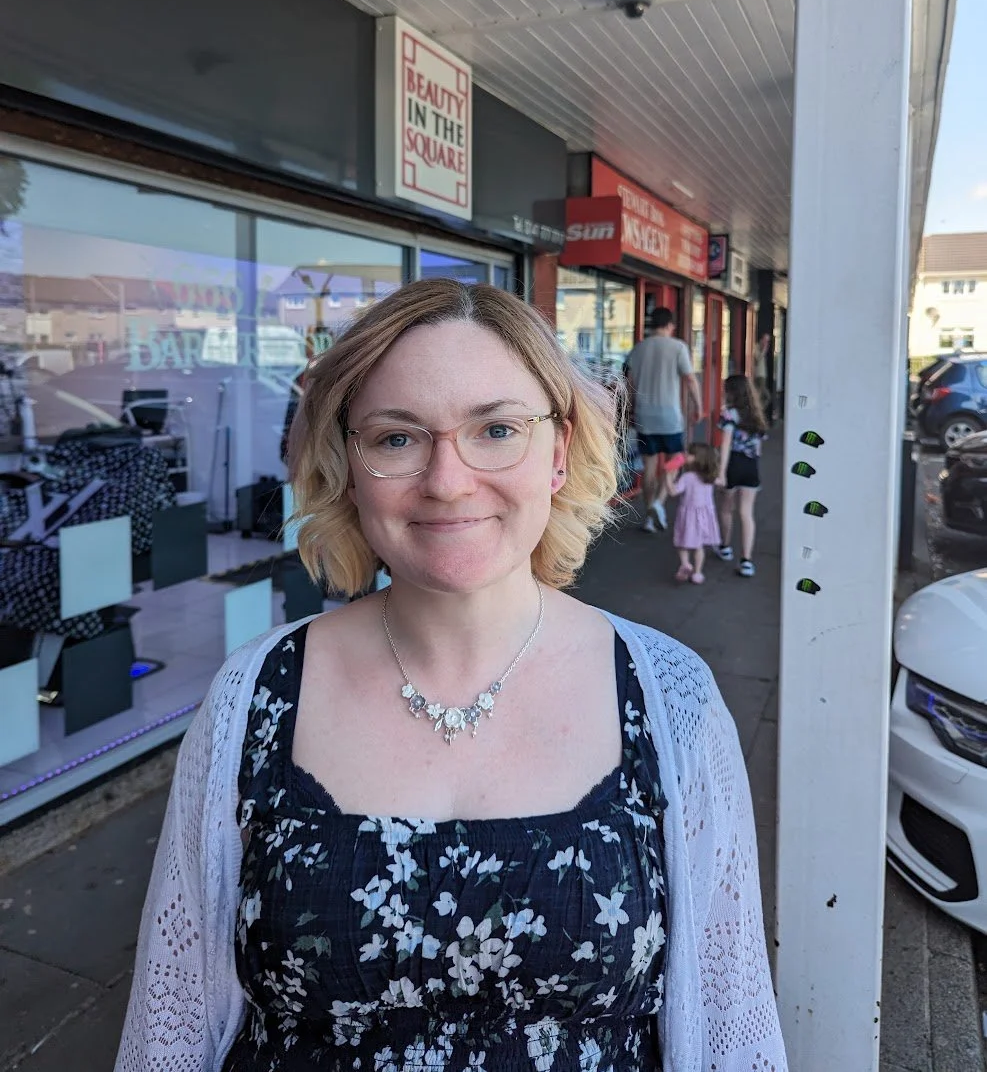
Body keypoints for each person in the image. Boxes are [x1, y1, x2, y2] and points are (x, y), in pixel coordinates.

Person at [116, 279, 786, 1072]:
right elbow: (173, 1021)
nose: (447, 479)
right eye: (397, 438)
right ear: (349, 462)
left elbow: (729, 1016)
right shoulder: (254, 694)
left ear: (558, 451)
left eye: (495, 428)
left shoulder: (668, 694)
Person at [624, 307, 702, 533]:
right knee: (675, 460)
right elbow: (690, 379)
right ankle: (659, 501)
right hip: (670, 418)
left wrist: (630, 411)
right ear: (670, 325)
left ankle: (649, 515)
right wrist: (698, 406)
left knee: (648, 465)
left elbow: (629, 384)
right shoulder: (678, 347)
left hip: (645, 417)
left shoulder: (638, 349)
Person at [715, 374, 769, 579]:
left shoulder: (729, 415)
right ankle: (746, 560)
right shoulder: (757, 416)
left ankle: (725, 546)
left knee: (726, 508)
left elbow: (726, 444)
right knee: (747, 513)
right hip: (751, 466)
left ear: (731, 392)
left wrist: (721, 473)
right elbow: (759, 447)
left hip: (733, 465)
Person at [664, 443, 721, 585]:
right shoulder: (709, 477)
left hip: (687, 516)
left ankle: (685, 564)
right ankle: (698, 573)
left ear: (696, 459)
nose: (685, 455)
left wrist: (668, 476)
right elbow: (721, 482)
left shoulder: (687, 477)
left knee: (682, 543)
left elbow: (672, 492)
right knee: (699, 546)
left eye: (689, 454)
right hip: (704, 517)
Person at [753, 333, 772, 424]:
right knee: (761, 395)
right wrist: (764, 350)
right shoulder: (756, 347)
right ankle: (757, 414)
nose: (766, 343)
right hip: (758, 375)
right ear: (761, 339)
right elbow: (757, 359)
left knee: (765, 397)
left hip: (763, 375)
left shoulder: (762, 348)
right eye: (765, 340)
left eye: (768, 341)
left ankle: (758, 412)